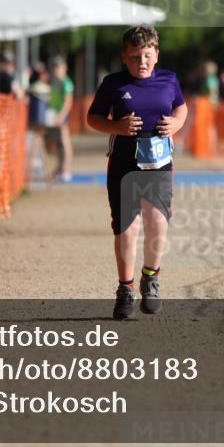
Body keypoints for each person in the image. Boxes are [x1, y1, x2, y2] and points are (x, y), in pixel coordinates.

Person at [86, 25, 187, 320]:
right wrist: (115, 127)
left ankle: (151, 277)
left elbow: (182, 108)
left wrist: (176, 125)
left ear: (156, 54)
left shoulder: (169, 80)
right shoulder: (113, 84)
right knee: (127, 228)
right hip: (123, 164)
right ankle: (126, 288)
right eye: (133, 57)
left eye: (146, 55)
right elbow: (93, 117)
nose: (140, 62)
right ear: (123, 58)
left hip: (159, 164)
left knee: (158, 223)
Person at [47, 55, 74, 182]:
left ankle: (66, 169)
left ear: (64, 68)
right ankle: (59, 168)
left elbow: (68, 102)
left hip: (61, 117)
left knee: (64, 142)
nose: (56, 69)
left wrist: (61, 116)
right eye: (55, 67)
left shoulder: (66, 82)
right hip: (54, 117)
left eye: (59, 66)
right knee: (58, 144)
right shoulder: (54, 82)